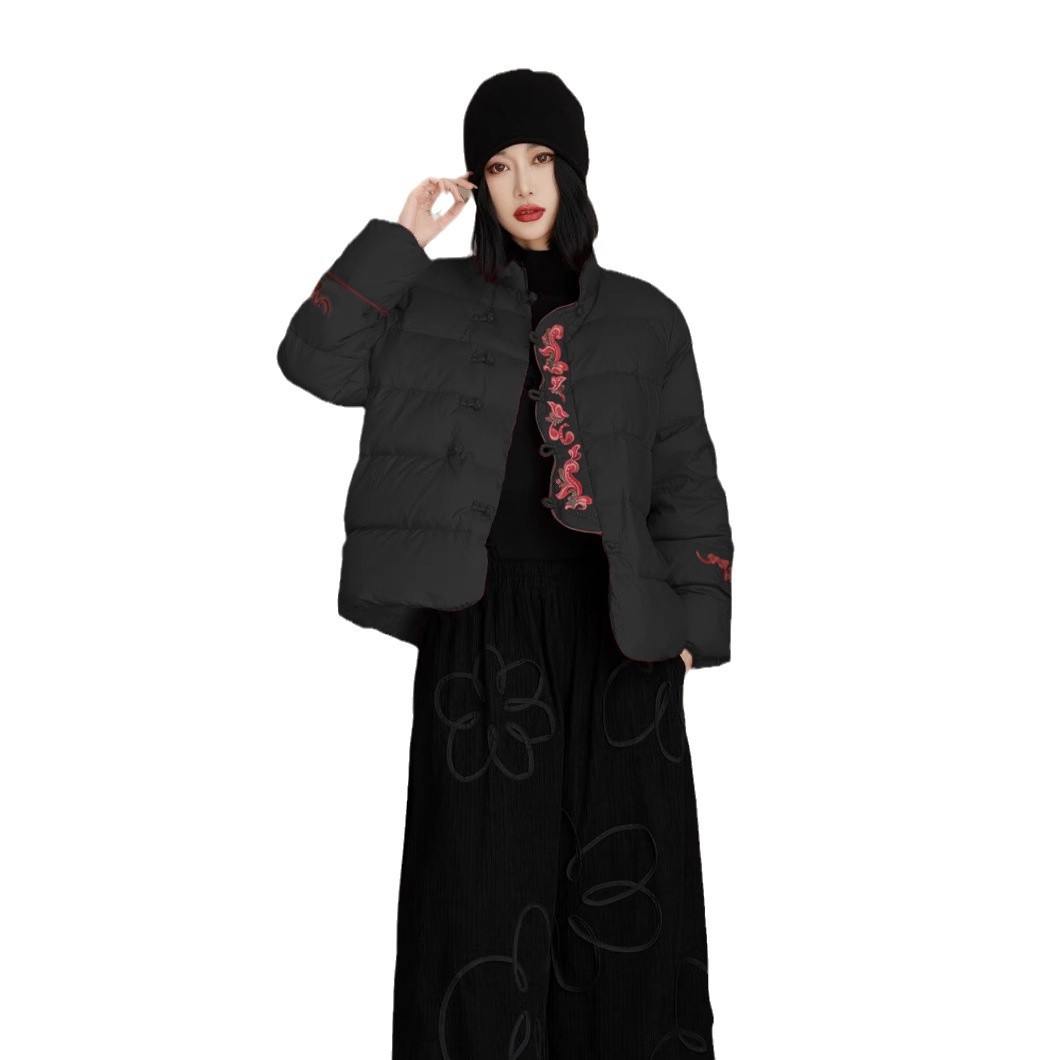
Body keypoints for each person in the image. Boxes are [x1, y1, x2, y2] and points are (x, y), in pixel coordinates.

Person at [277, 69, 732, 1059]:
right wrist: (402, 239)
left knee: (631, 897)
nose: (523, 184)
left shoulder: (648, 317)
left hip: (621, 628)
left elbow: (684, 478)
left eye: (540, 159)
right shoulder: (429, 297)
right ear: (477, 183)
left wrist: (695, 626)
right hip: (481, 621)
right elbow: (315, 357)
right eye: (497, 165)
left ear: (573, 169)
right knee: (475, 900)